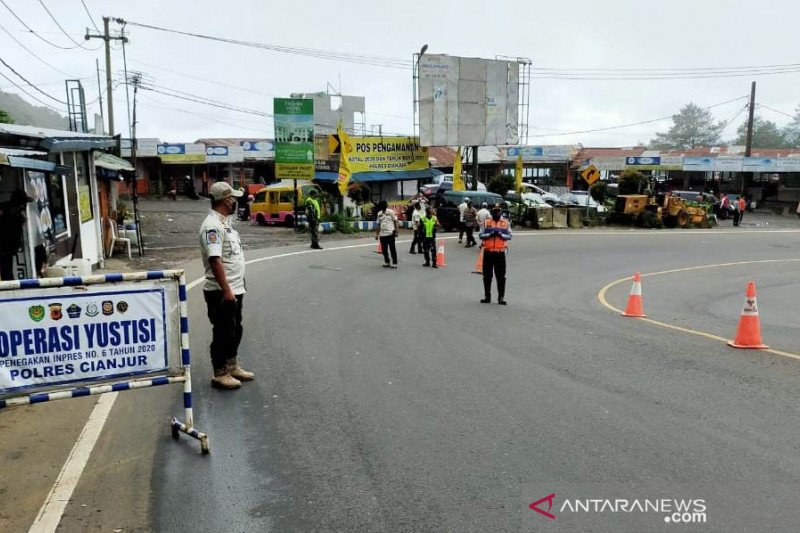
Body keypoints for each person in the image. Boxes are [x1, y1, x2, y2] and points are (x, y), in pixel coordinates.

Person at [199, 182, 255, 389]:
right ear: (225, 200)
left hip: (235, 287)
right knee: (222, 332)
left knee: (235, 329)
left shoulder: (225, 223)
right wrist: (227, 290)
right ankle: (220, 372)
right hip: (221, 291)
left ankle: (232, 365)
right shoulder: (212, 226)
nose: (234, 201)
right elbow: (215, 260)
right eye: (232, 198)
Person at [479, 205, 512, 305]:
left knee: (501, 277)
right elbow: (481, 235)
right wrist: (489, 235)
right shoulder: (486, 222)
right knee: (487, 276)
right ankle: (487, 296)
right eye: (495, 211)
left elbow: (510, 236)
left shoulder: (505, 223)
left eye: (498, 211)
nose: (497, 213)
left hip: (500, 253)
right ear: (492, 212)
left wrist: (501, 235)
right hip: (488, 252)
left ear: (501, 212)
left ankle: (501, 298)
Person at [0, 189, 30, 281]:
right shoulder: (4, 211)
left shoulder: (17, 215)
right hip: (3, 247)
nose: (24, 207)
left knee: (7, 271)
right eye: (23, 204)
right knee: (6, 273)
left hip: (8, 249)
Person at [375, 200, 399, 268]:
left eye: (384, 205)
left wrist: (396, 231)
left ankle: (394, 263)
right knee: (384, 250)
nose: (384, 207)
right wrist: (377, 234)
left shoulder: (391, 212)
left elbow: (395, 221)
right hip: (382, 234)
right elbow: (378, 225)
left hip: (390, 233)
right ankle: (387, 262)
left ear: (386, 205)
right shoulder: (379, 213)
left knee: (392, 249)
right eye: (382, 206)